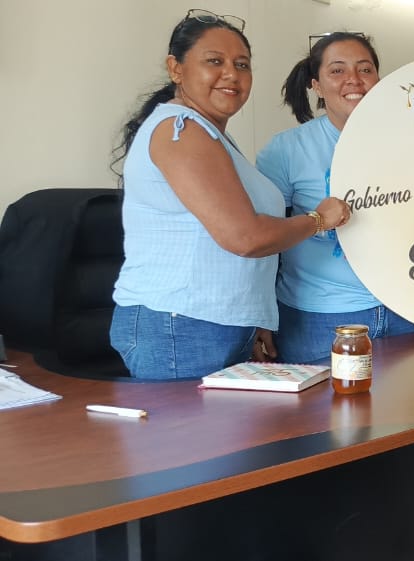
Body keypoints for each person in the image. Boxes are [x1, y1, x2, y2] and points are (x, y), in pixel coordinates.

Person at [111, 9, 351, 380]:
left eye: (241, 64)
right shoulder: (181, 130)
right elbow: (245, 237)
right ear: (176, 68)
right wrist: (318, 220)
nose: (231, 74)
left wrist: (255, 317)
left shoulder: (209, 134)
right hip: (181, 324)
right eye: (214, 61)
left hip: (213, 323)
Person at [255, 32, 414, 364]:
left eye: (365, 69)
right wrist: (260, 315)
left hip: (406, 308)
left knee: (410, 400)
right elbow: (262, 238)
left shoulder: (413, 142)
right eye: (337, 70)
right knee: (326, 401)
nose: (354, 79)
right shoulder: (286, 150)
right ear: (316, 85)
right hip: (319, 318)